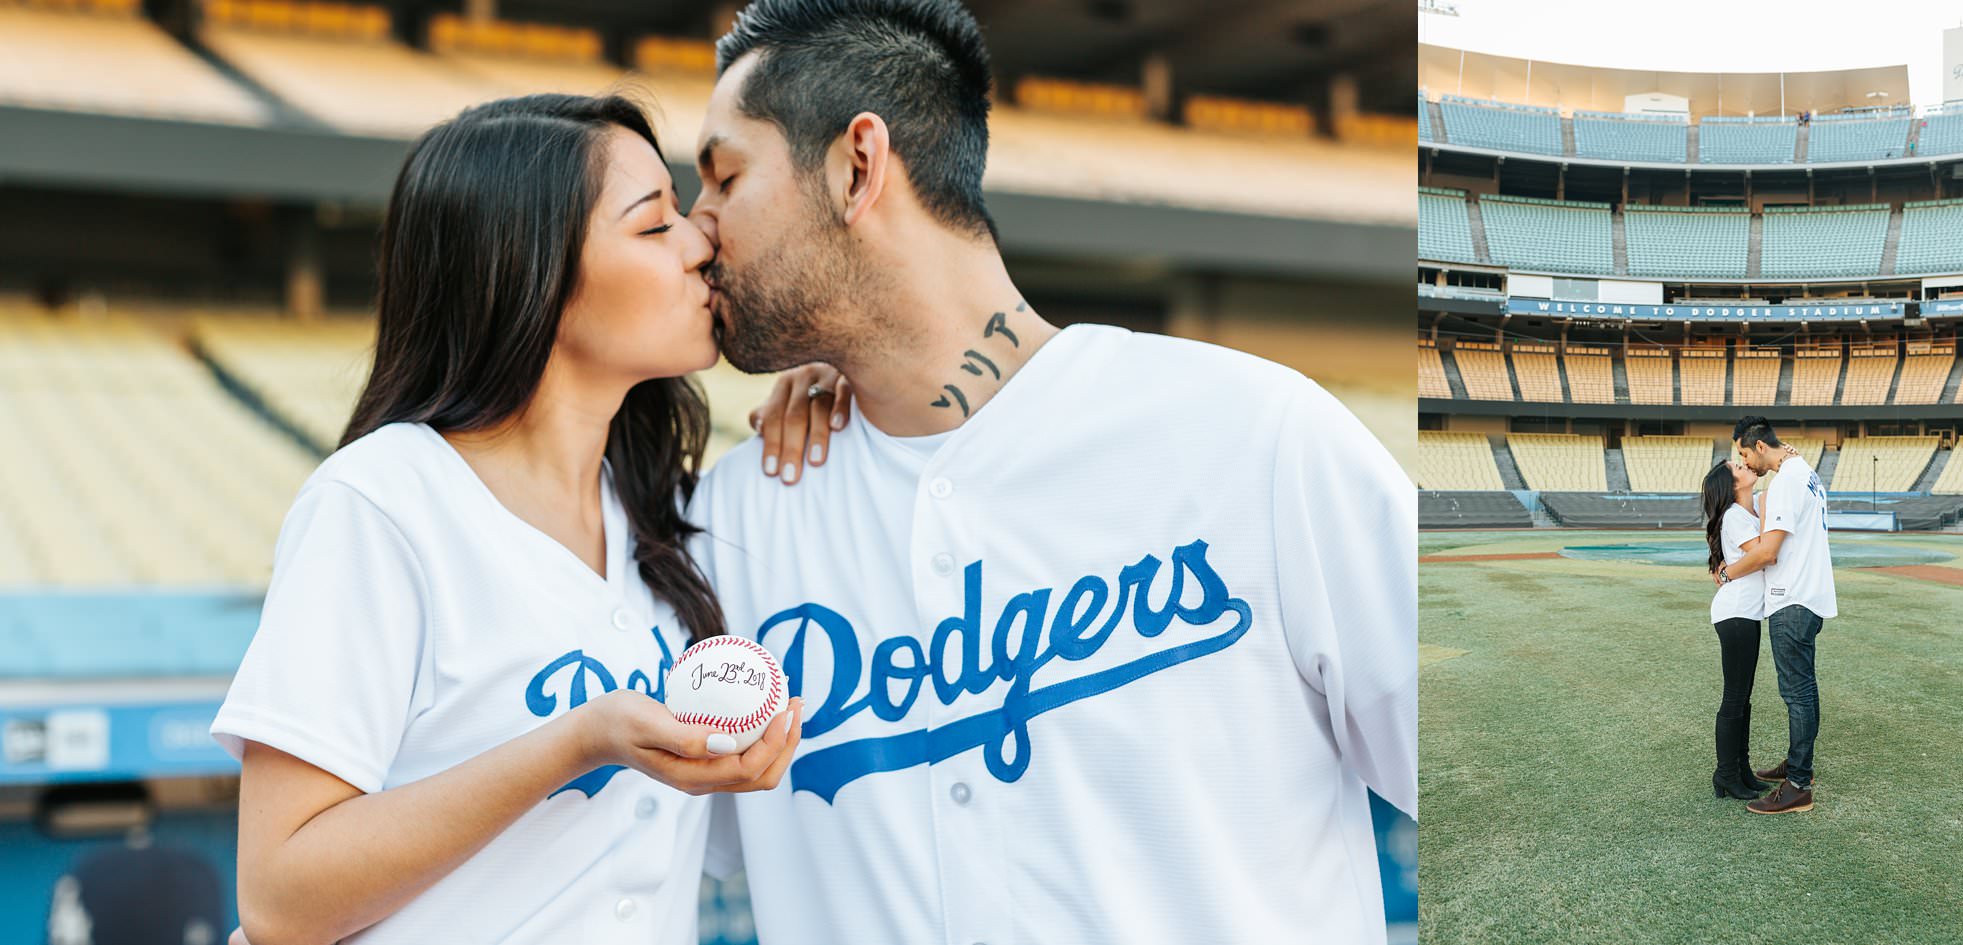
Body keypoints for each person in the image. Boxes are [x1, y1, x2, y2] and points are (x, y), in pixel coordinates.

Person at [681, 0, 1418, 942]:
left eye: (724, 177)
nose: (698, 228)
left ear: (857, 166)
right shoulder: (736, 523)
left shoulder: (1258, 438)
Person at [209, 95, 806, 945]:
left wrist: (828, 388)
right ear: (533, 275)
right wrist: (578, 740)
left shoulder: (662, 513)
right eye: (653, 225)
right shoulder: (384, 500)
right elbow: (279, 897)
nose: (700, 242)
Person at [1716, 418, 1835, 815]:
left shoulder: (1785, 481)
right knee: (1804, 690)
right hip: (1811, 593)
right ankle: (1798, 764)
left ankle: (1799, 783)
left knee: (1797, 693)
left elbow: (1768, 553)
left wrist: (1726, 572)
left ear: (1759, 447)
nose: (1745, 462)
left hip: (1792, 597)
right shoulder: (1805, 473)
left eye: (1745, 454)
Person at [1699, 459, 1773, 801]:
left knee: (1743, 698)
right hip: (1736, 613)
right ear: (1732, 486)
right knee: (1734, 698)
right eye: (1737, 468)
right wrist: (1727, 573)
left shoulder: (1749, 510)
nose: (1745, 465)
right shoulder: (1734, 516)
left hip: (1745, 613)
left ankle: (1741, 769)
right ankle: (1726, 773)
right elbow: (1763, 554)